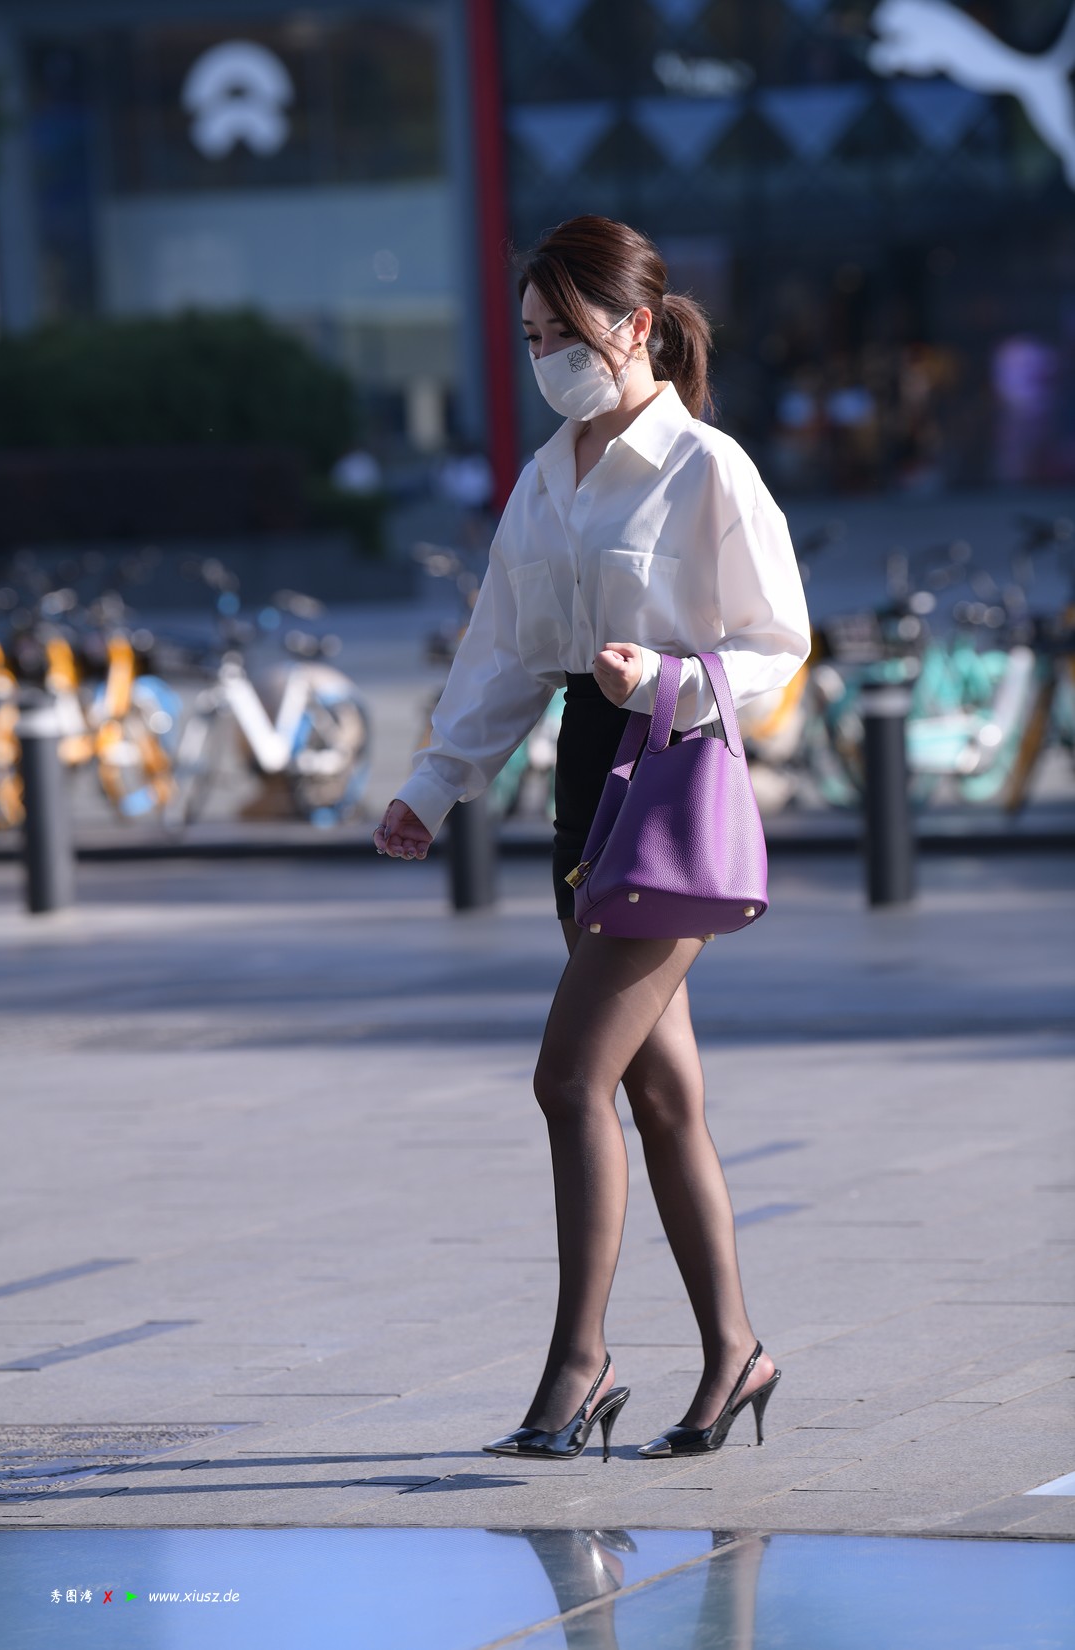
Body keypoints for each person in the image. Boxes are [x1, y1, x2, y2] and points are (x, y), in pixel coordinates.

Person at [373, 215, 810, 1461]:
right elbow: (504, 651)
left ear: (636, 325)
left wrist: (668, 681)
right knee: (660, 1095)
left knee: (569, 1078)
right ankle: (735, 1352)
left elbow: (778, 646)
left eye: (563, 333)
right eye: (529, 338)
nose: (545, 359)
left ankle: (581, 1364)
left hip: (669, 782)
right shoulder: (546, 476)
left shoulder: (705, 467)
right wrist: (434, 784)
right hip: (582, 785)